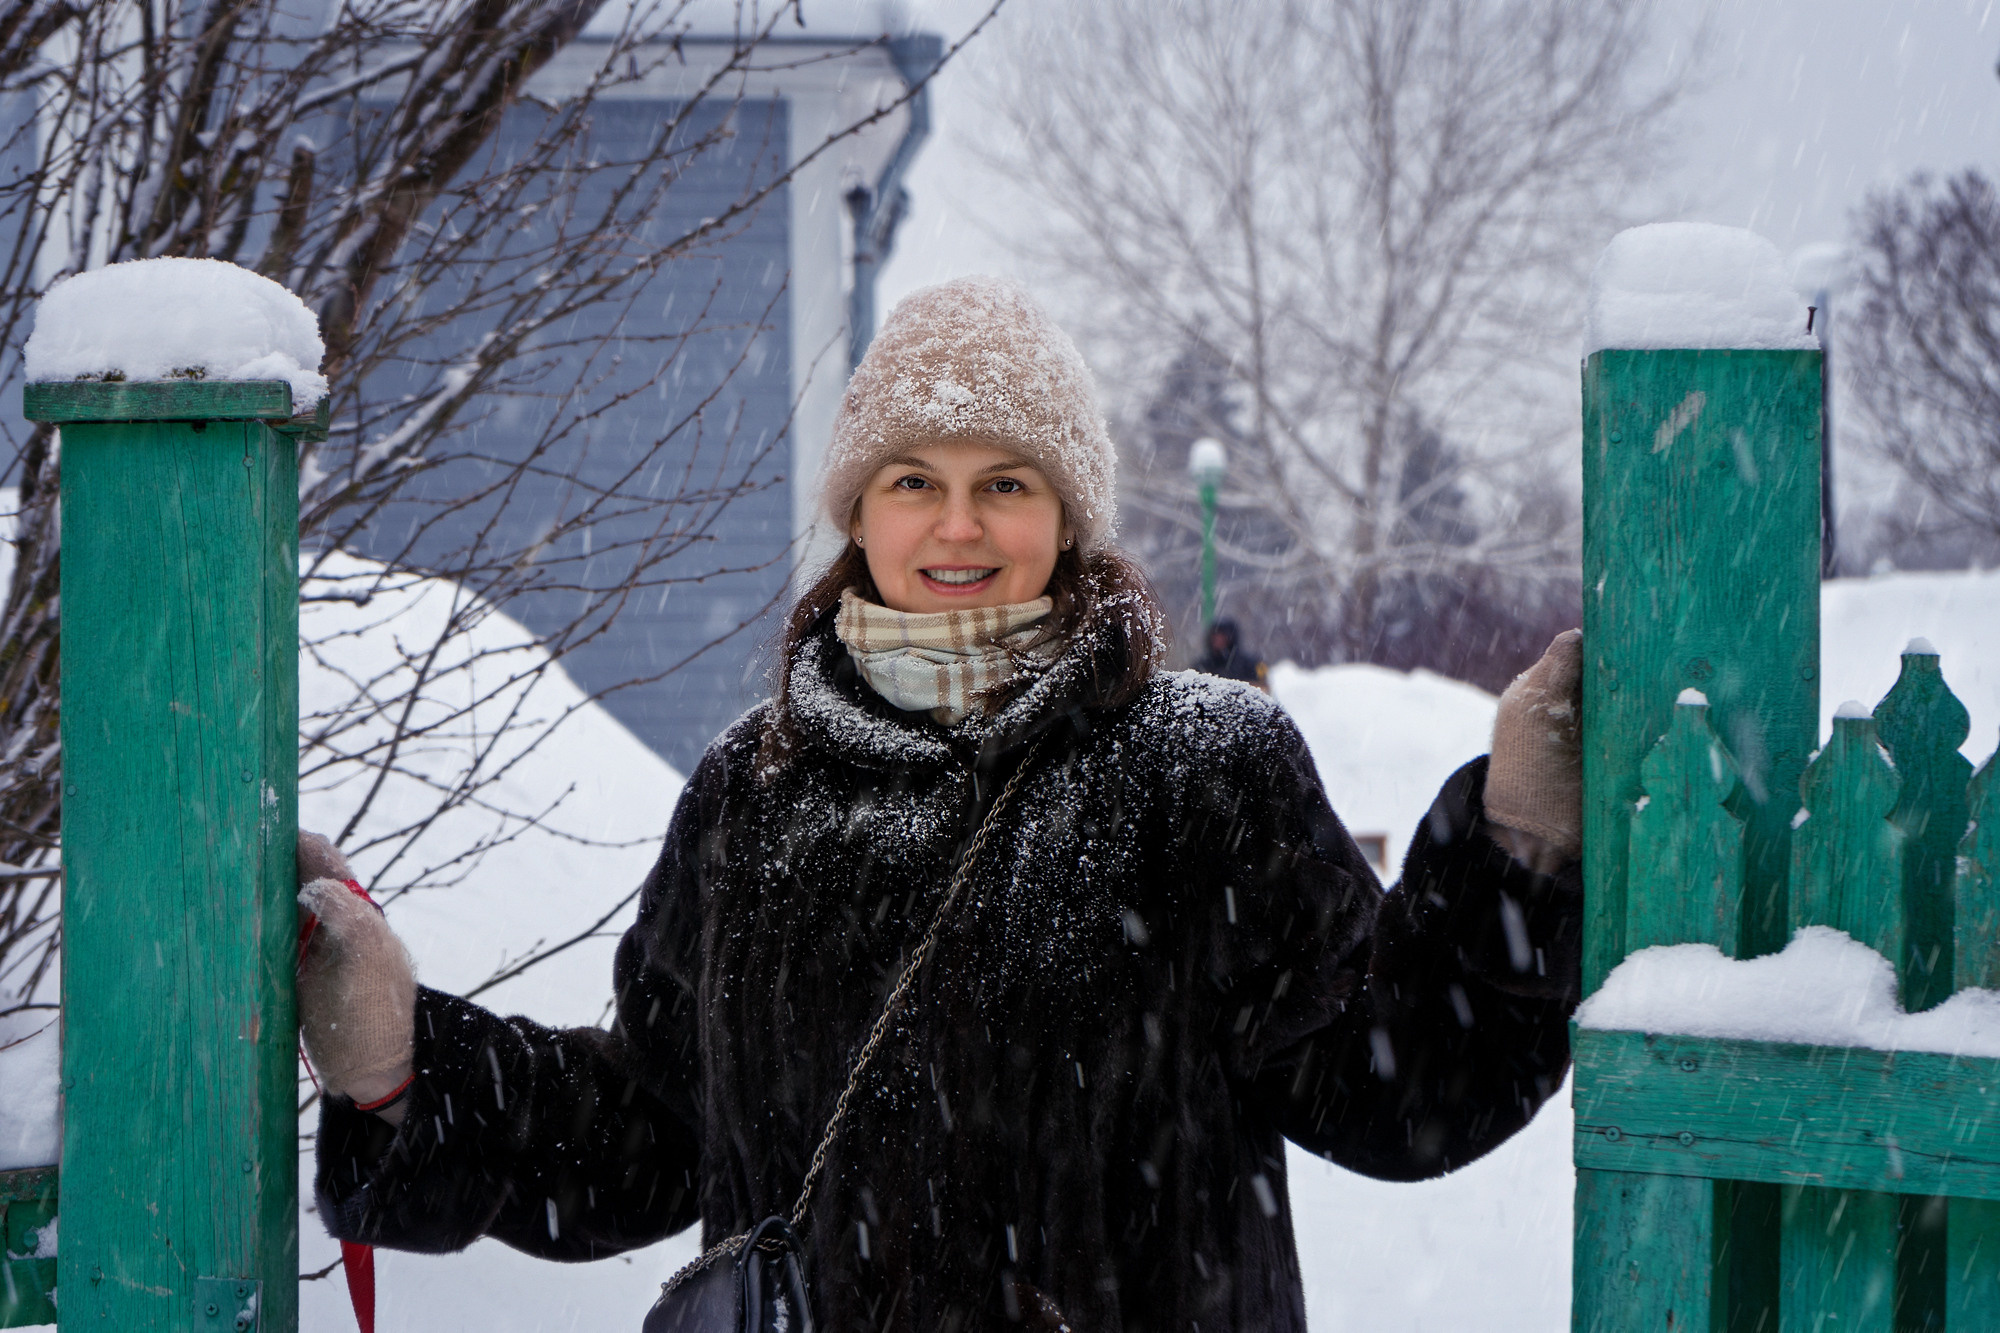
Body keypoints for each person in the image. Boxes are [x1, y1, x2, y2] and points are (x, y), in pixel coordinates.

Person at [297, 276, 1585, 1331]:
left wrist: (1514, 847)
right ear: (856, 508)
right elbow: (647, 1129)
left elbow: (1396, 1083)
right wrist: (408, 1069)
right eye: (912, 478)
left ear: (1068, 515)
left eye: (1005, 482)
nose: (956, 524)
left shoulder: (1201, 768)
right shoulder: (756, 791)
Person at [1195, 617, 1268, 689]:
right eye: (1215, 636)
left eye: (1222, 636)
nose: (1218, 640)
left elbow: (1263, 688)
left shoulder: (1251, 664)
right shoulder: (1202, 665)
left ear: (1231, 637)